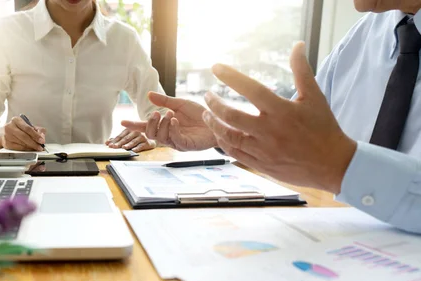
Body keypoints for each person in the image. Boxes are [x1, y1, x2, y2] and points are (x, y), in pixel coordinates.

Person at [122, 0, 421, 234]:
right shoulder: (365, 34)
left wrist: (342, 166)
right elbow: (295, 141)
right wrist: (223, 132)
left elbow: (329, 157)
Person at [0, 0, 166, 153]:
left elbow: (162, 114)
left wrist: (151, 136)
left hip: (97, 177)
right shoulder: (7, 32)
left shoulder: (124, 40)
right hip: (26, 175)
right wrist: (0, 136)